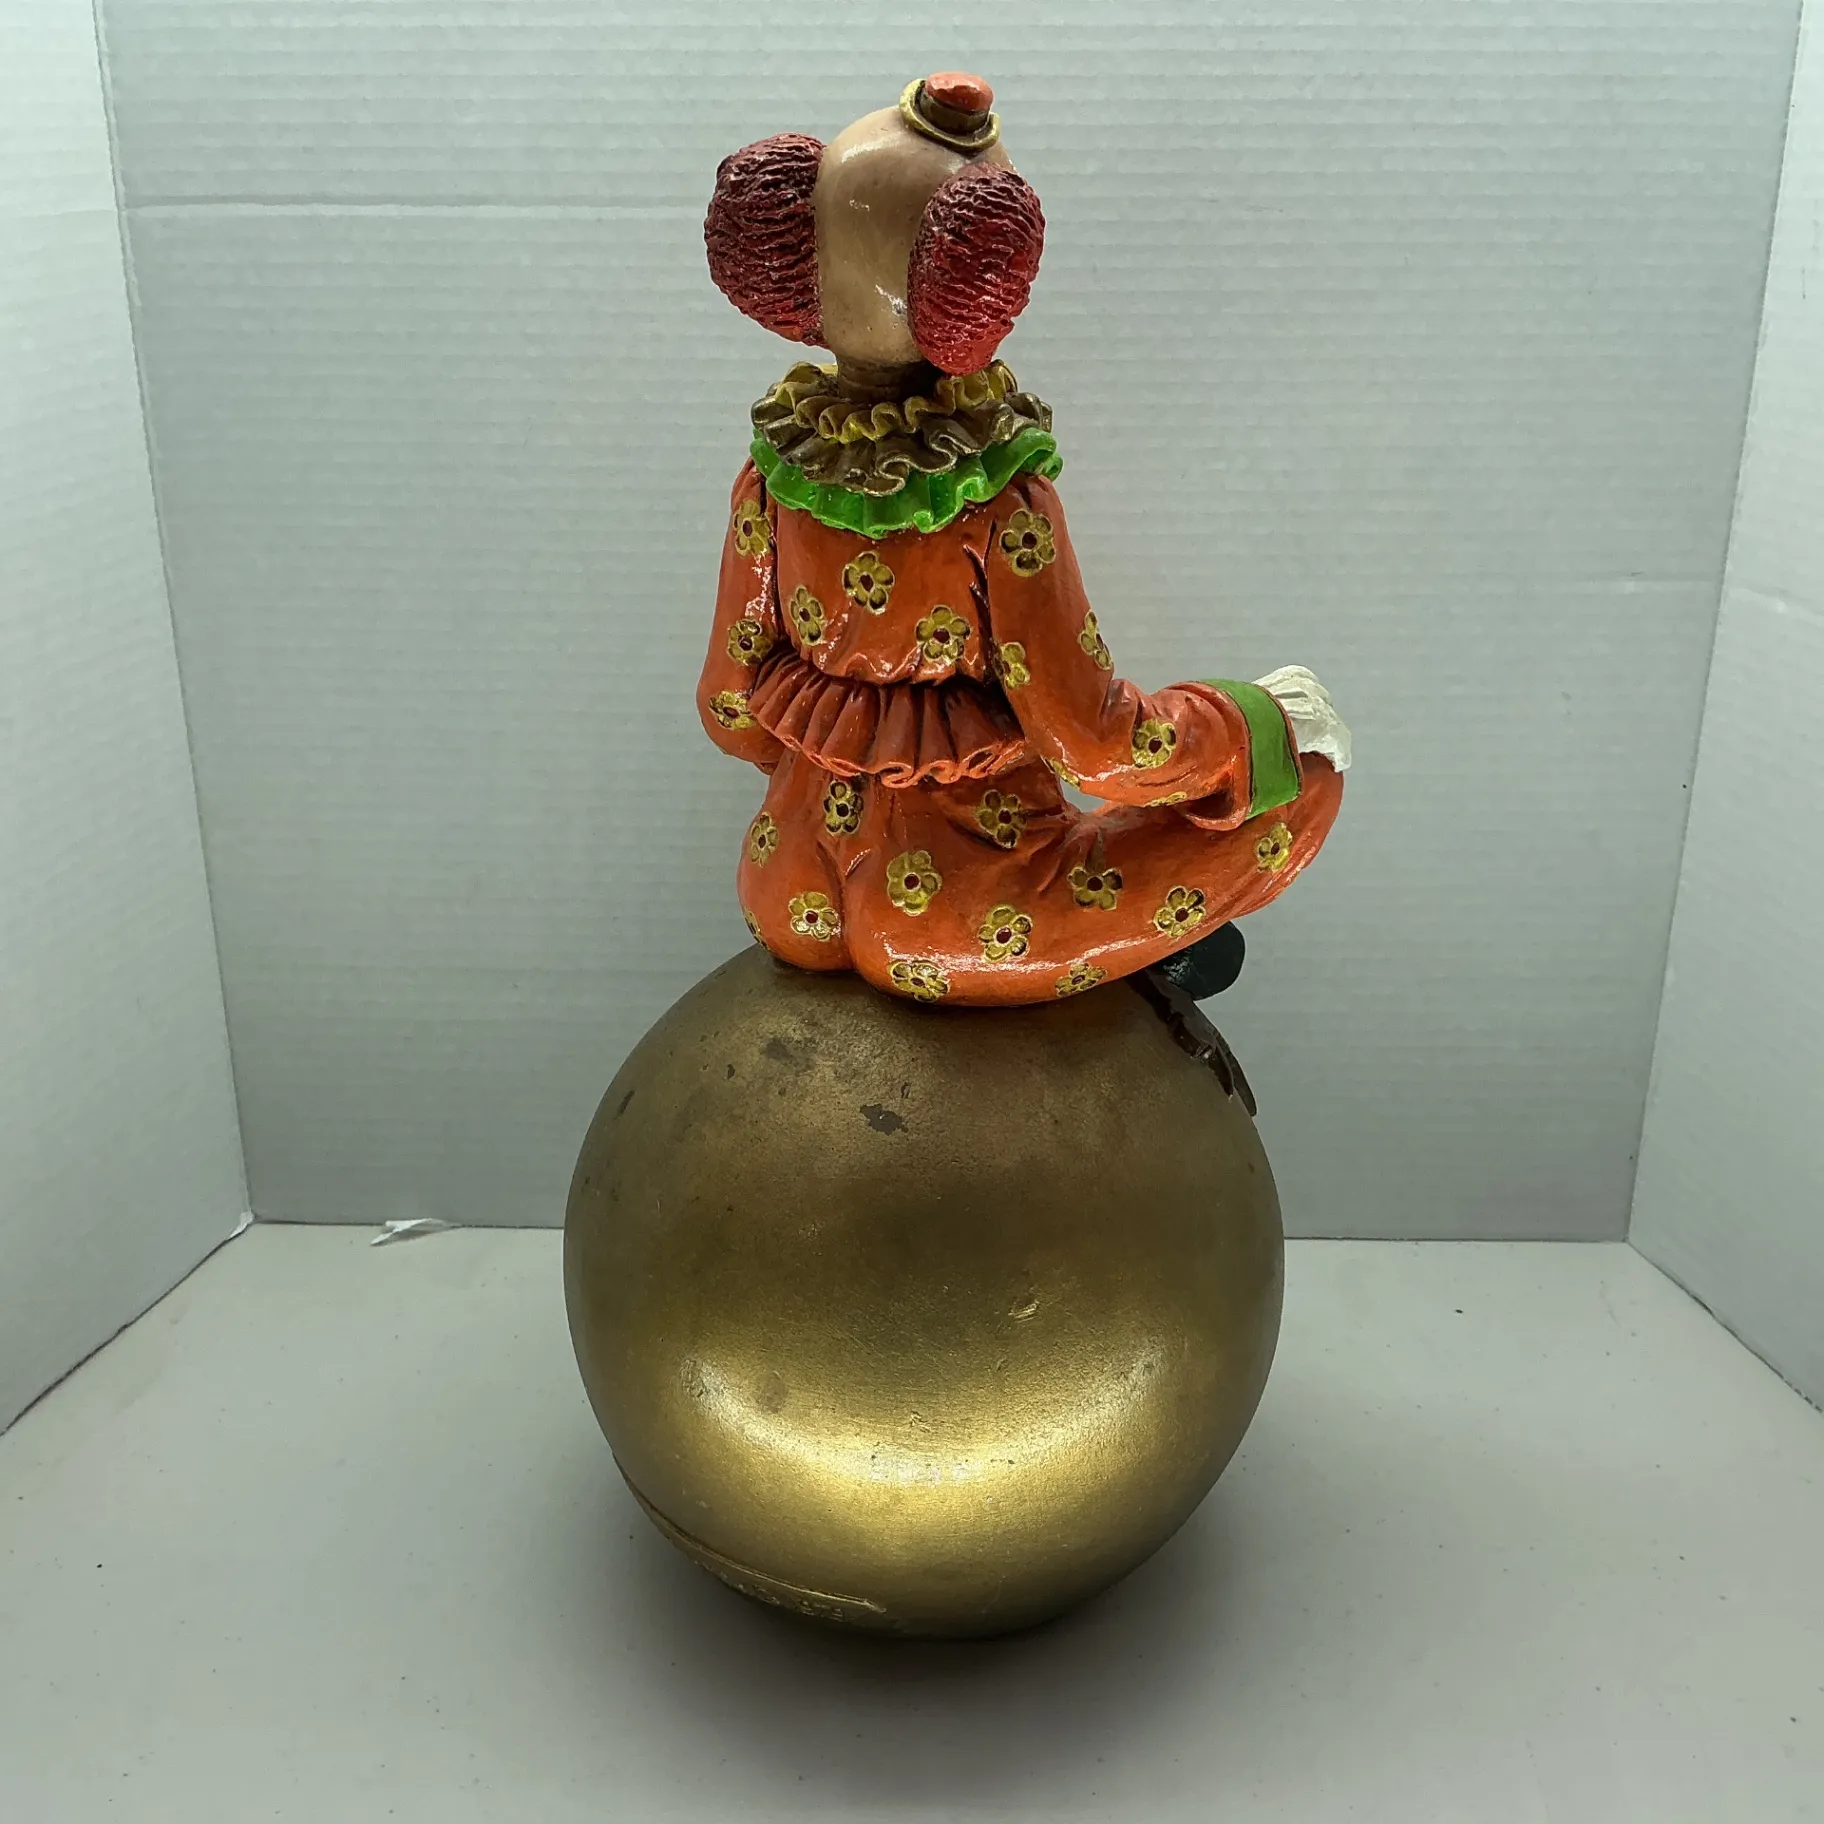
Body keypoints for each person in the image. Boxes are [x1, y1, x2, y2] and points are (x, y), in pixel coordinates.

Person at [697, 73, 1349, 1007]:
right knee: (1304, 783)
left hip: (784, 884)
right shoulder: (1000, 505)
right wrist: (1251, 724)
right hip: (957, 919)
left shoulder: (773, 477)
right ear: (974, 281)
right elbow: (1092, 744)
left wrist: (840, 773)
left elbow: (729, 709)